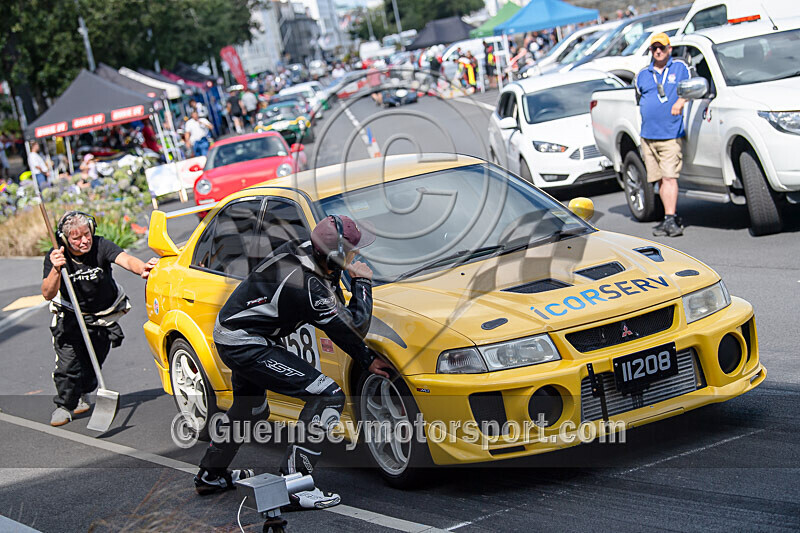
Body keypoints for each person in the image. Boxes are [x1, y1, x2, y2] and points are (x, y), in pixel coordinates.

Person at [194, 215, 393, 508]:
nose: (358, 254)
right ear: (335, 256)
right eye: (352, 250)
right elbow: (354, 325)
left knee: (250, 409)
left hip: (237, 333)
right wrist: (363, 282)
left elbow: (336, 323)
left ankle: (210, 476)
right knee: (328, 396)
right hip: (246, 342)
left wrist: (365, 358)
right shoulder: (309, 284)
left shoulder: (309, 254)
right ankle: (294, 483)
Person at [42, 211, 158, 426]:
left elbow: (126, 259)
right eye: (76, 238)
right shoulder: (56, 255)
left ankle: (83, 392)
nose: (84, 241)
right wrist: (56, 269)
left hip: (103, 316)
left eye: (86, 234)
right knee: (68, 365)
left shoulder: (100, 245)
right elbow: (47, 293)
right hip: (71, 316)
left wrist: (143, 268)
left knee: (92, 362)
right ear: (65, 238)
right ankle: (64, 406)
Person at [634, 32, 690, 237]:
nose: (658, 51)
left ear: (670, 49)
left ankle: (670, 219)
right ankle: (667, 217)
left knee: (669, 177)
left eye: (662, 48)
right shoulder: (643, 74)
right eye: (654, 48)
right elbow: (638, 97)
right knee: (658, 178)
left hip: (670, 133)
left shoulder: (679, 68)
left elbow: (689, 90)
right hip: (648, 135)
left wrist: (680, 102)